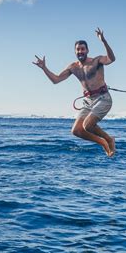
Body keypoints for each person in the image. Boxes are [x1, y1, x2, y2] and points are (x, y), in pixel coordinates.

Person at [33, 27, 116, 157]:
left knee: (88, 126)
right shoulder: (73, 67)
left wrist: (104, 41)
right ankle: (103, 142)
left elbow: (111, 59)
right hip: (88, 101)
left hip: (103, 98)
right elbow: (56, 80)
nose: (80, 51)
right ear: (75, 51)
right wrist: (44, 68)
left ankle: (109, 140)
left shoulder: (96, 61)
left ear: (87, 50)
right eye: (78, 49)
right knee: (76, 130)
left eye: (83, 49)